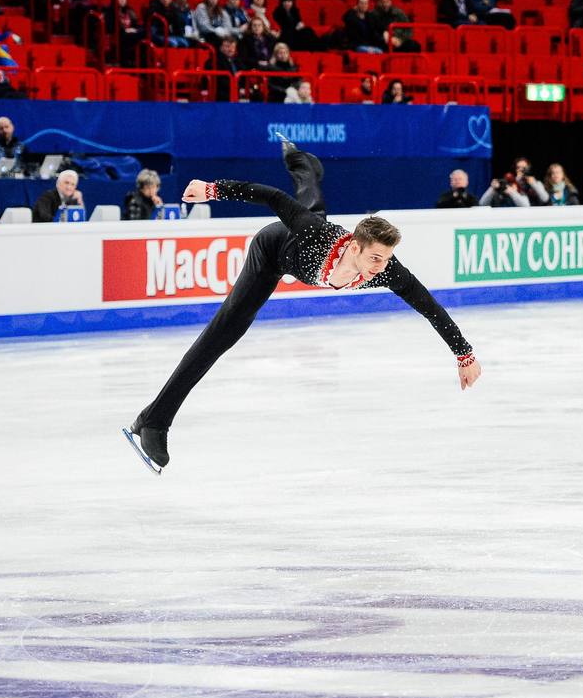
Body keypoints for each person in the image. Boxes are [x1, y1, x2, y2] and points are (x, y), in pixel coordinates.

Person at [125, 141, 481, 473]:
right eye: (376, 257)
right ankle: (154, 421)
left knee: (311, 196)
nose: (381, 267)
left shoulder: (385, 270)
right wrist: (212, 190)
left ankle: (299, 159)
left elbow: (429, 306)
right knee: (223, 333)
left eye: (386, 258)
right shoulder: (315, 234)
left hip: (312, 239)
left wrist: (464, 355)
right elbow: (272, 196)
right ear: (354, 248)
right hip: (273, 251)